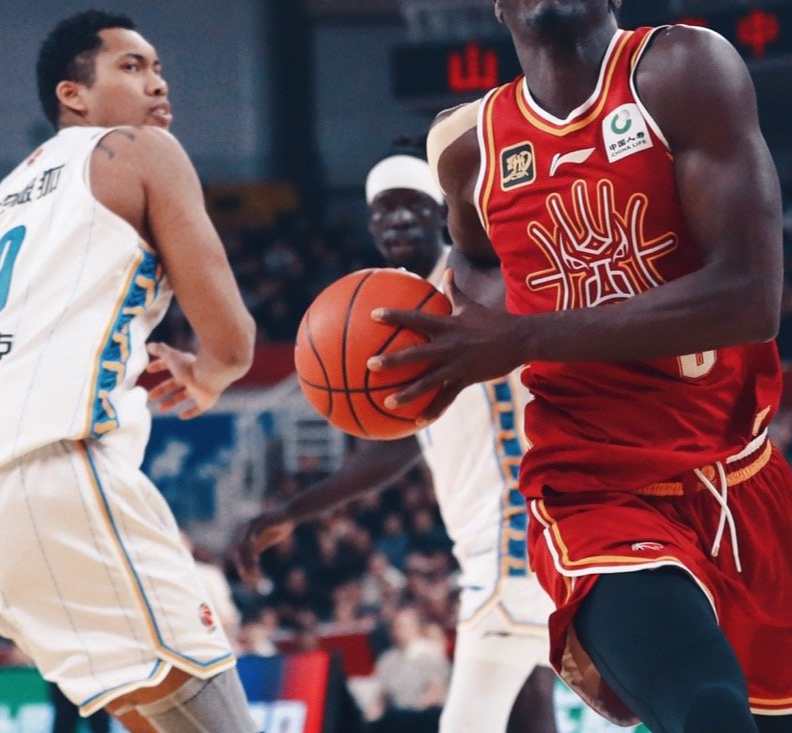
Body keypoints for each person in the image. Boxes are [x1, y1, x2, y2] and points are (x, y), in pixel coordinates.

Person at [372, 0, 792, 730]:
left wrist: (521, 334)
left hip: (740, 471)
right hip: (592, 481)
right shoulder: (470, 151)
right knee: (709, 709)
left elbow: (750, 299)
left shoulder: (682, 70)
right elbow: (473, 268)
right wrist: (455, 345)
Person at [0, 11, 260, 733]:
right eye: (131, 66)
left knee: (160, 717)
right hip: (57, 471)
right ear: (73, 95)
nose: (157, 81)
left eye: (158, 66)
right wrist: (211, 374)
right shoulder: (140, 151)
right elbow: (232, 340)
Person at [234, 154, 557, 733]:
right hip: (487, 533)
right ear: (370, 225)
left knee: (476, 717)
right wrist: (295, 509)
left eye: (414, 205)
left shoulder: (471, 285)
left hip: (515, 525)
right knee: (530, 692)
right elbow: (397, 442)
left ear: (441, 214)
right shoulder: (391, 309)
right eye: (384, 211)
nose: (399, 219)